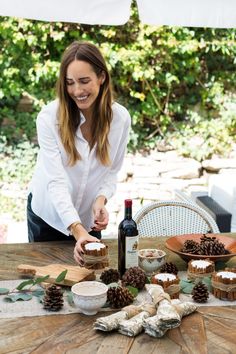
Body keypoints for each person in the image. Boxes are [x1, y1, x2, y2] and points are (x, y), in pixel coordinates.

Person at [27, 41, 131, 265]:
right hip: (48, 219)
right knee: (48, 284)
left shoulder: (120, 119)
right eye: (70, 83)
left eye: (84, 81)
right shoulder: (48, 118)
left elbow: (112, 171)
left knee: (89, 279)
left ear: (101, 77)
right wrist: (77, 230)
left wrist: (100, 200)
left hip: (88, 221)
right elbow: (55, 182)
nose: (77, 91)